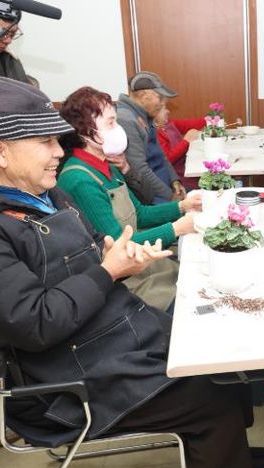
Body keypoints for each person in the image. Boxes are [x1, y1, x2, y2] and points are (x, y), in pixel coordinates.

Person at [0, 77, 264, 468]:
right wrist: (108, 271)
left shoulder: (46, 194)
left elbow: (97, 250)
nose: (59, 152)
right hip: (67, 377)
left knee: (219, 356)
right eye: (46, 142)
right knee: (210, 395)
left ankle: (227, 451)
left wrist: (120, 259)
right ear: (0, 152)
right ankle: (222, 445)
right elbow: (34, 323)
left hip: (113, 334)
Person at [58, 86, 201, 311]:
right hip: (126, 281)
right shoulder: (80, 180)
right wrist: (177, 228)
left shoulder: (107, 166)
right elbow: (119, 247)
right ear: (84, 132)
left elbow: (140, 213)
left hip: (142, 262)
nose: (119, 129)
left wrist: (182, 206)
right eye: (111, 123)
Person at [117, 71, 187, 204]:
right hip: (151, 195)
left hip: (163, 185)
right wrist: (170, 196)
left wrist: (174, 180)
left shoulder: (144, 115)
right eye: (159, 98)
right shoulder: (125, 119)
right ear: (142, 95)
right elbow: (139, 169)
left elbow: (161, 155)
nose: (162, 104)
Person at [154, 105, 205, 190]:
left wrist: (208, 120)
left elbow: (187, 124)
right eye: (163, 109)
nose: (168, 111)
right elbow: (168, 159)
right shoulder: (156, 134)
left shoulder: (168, 123)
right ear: (153, 114)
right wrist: (186, 141)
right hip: (178, 177)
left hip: (186, 168)